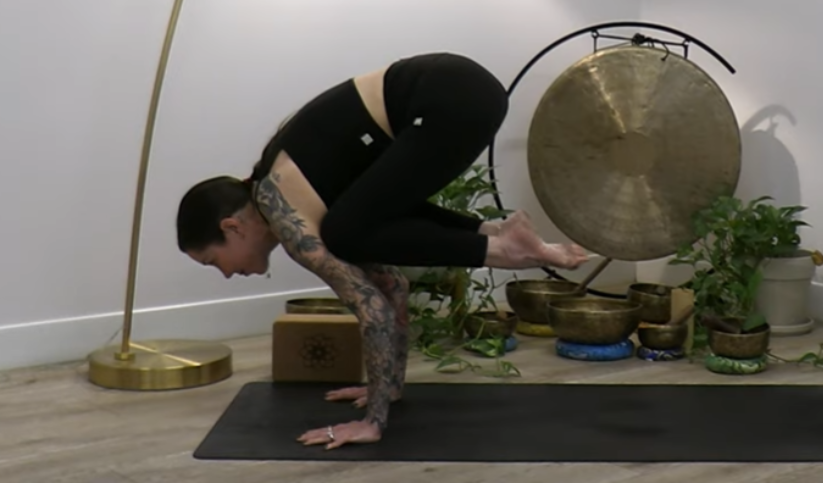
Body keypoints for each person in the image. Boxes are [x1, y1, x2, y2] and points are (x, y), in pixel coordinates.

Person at [176, 52, 589, 450]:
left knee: (346, 233)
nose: (226, 274)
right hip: (460, 91)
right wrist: (385, 387)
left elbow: (371, 310)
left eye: (214, 261)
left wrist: (371, 422)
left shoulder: (284, 212)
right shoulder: (291, 189)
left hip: (447, 97)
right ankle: (498, 237)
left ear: (232, 226)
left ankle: (504, 247)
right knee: (358, 225)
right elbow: (392, 286)